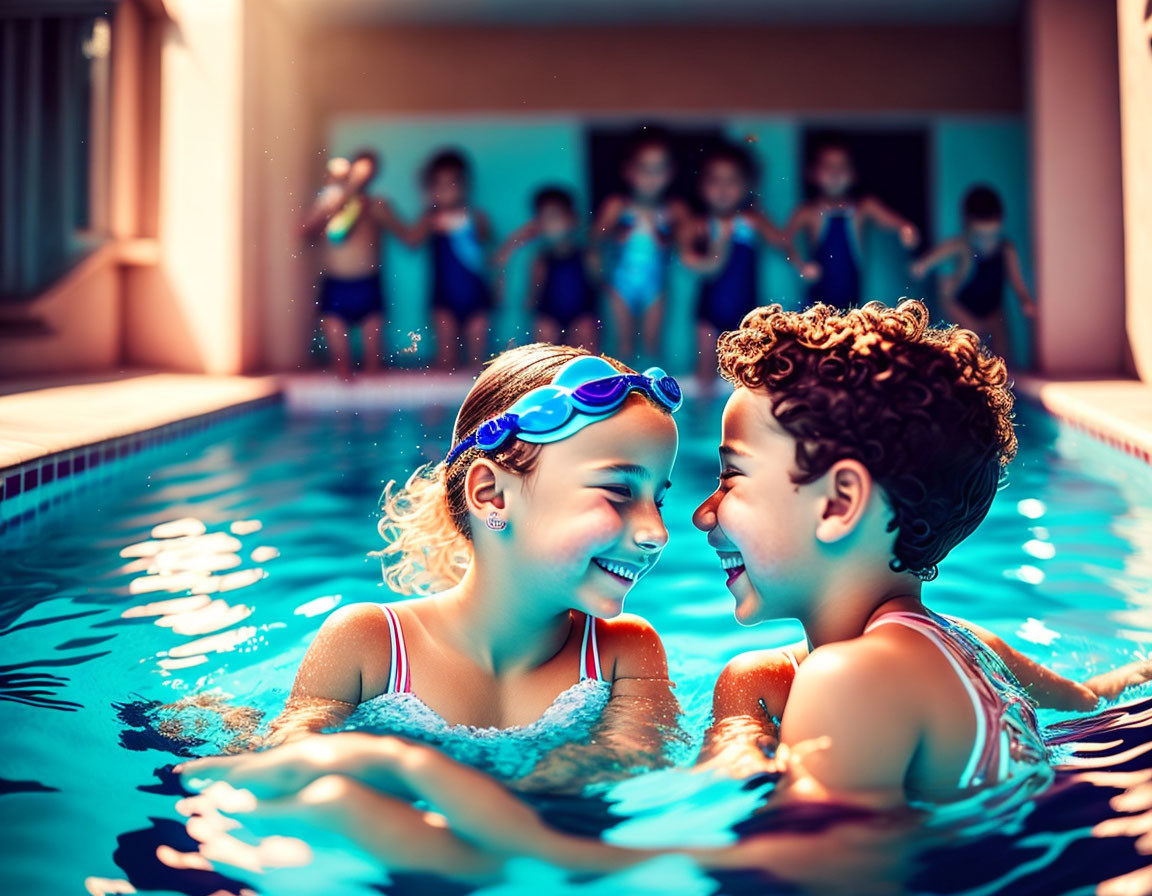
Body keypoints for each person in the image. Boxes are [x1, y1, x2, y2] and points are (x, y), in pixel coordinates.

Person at [180, 303, 1152, 887]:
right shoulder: (958, 646)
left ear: (840, 501)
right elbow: (1110, 695)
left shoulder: (854, 679)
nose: (686, 521)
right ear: (489, 493)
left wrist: (501, 833)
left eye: (727, 477)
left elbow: (830, 871)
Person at [215, 344, 685, 788]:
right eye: (620, 492)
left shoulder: (623, 651)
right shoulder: (370, 644)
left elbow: (633, 761)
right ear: (491, 495)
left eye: (658, 502)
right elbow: (289, 763)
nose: (656, 533)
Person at [678, 142, 793, 382]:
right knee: (705, 371)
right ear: (701, 187)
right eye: (715, 181)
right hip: (708, 310)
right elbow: (688, 260)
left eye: (732, 181)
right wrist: (716, 252)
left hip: (747, 310)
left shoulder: (752, 220)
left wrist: (802, 263)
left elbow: (781, 243)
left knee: (750, 371)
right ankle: (701, 413)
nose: (723, 188)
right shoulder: (699, 224)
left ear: (747, 186)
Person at [300, 150, 405, 377]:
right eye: (359, 172)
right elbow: (304, 231)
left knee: (373, 371)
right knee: (342, 371)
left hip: (368, 286)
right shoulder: (330, 201)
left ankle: (372, 412)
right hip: (335, 286)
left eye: (367, 173)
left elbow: (409, 238)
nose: (362, 177)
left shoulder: (377, 205)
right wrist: (334, 203)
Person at [592, 128, 690, 362]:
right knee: (622, 346)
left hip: (655, 286)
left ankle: (654, 393)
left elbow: (688, 238)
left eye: (659, 170)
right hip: (619, 285)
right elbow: (595, 238)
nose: (651, 177)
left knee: (652, 345)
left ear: (671, 173)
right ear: (628, 171)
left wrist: (667, 237)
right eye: (644, 169)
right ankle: (619, 393)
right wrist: (615, 233)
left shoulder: (673, 209)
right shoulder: (618, 205)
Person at [911, 185, 1037, 364]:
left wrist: (1026, 301)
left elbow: (1017, 282)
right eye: (980, 236)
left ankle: (1003, 380)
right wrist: (921, 265)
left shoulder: (1006, 249)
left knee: (1002, 354)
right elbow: (935, 256)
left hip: (993, 310)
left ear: (1000, 224)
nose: (986, 243)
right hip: (964, 309)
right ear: (968, 226)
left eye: (990, 236)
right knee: (968, 348)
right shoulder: (963, 245)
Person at [786, 140, 919, 308]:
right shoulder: (808, 211)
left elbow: (898, 223)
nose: (835, 173)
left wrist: (907, 230)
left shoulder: (864, 207)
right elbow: (785, 239)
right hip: (815, 302)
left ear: (854, 174)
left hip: (853, 302)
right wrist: (801, 266)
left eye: (842, 167)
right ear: (813, 173)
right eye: (827, 166)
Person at [407, 149, 496, 370]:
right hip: (443, 299)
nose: (446, 189)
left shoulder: (477, 216)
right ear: (431, 189)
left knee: (478, 365)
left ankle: (479, 402)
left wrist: (466, 226)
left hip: (477, 297)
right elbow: (412, 241)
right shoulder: (430, 217)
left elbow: (488, 245)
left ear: (465, 185)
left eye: (452, 183)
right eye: (439, 184)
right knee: (446, 362)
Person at [496, 186, 599, 351]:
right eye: (544, 219)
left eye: (555, 217)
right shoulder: (540, 259)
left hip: (581, 313)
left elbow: (599, 282)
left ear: (572, 219)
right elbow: (532, 297)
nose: (550, 224)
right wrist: (523, 236)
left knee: (586, 328)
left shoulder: (587, 254)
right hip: (549, 314)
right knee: (544, 330)